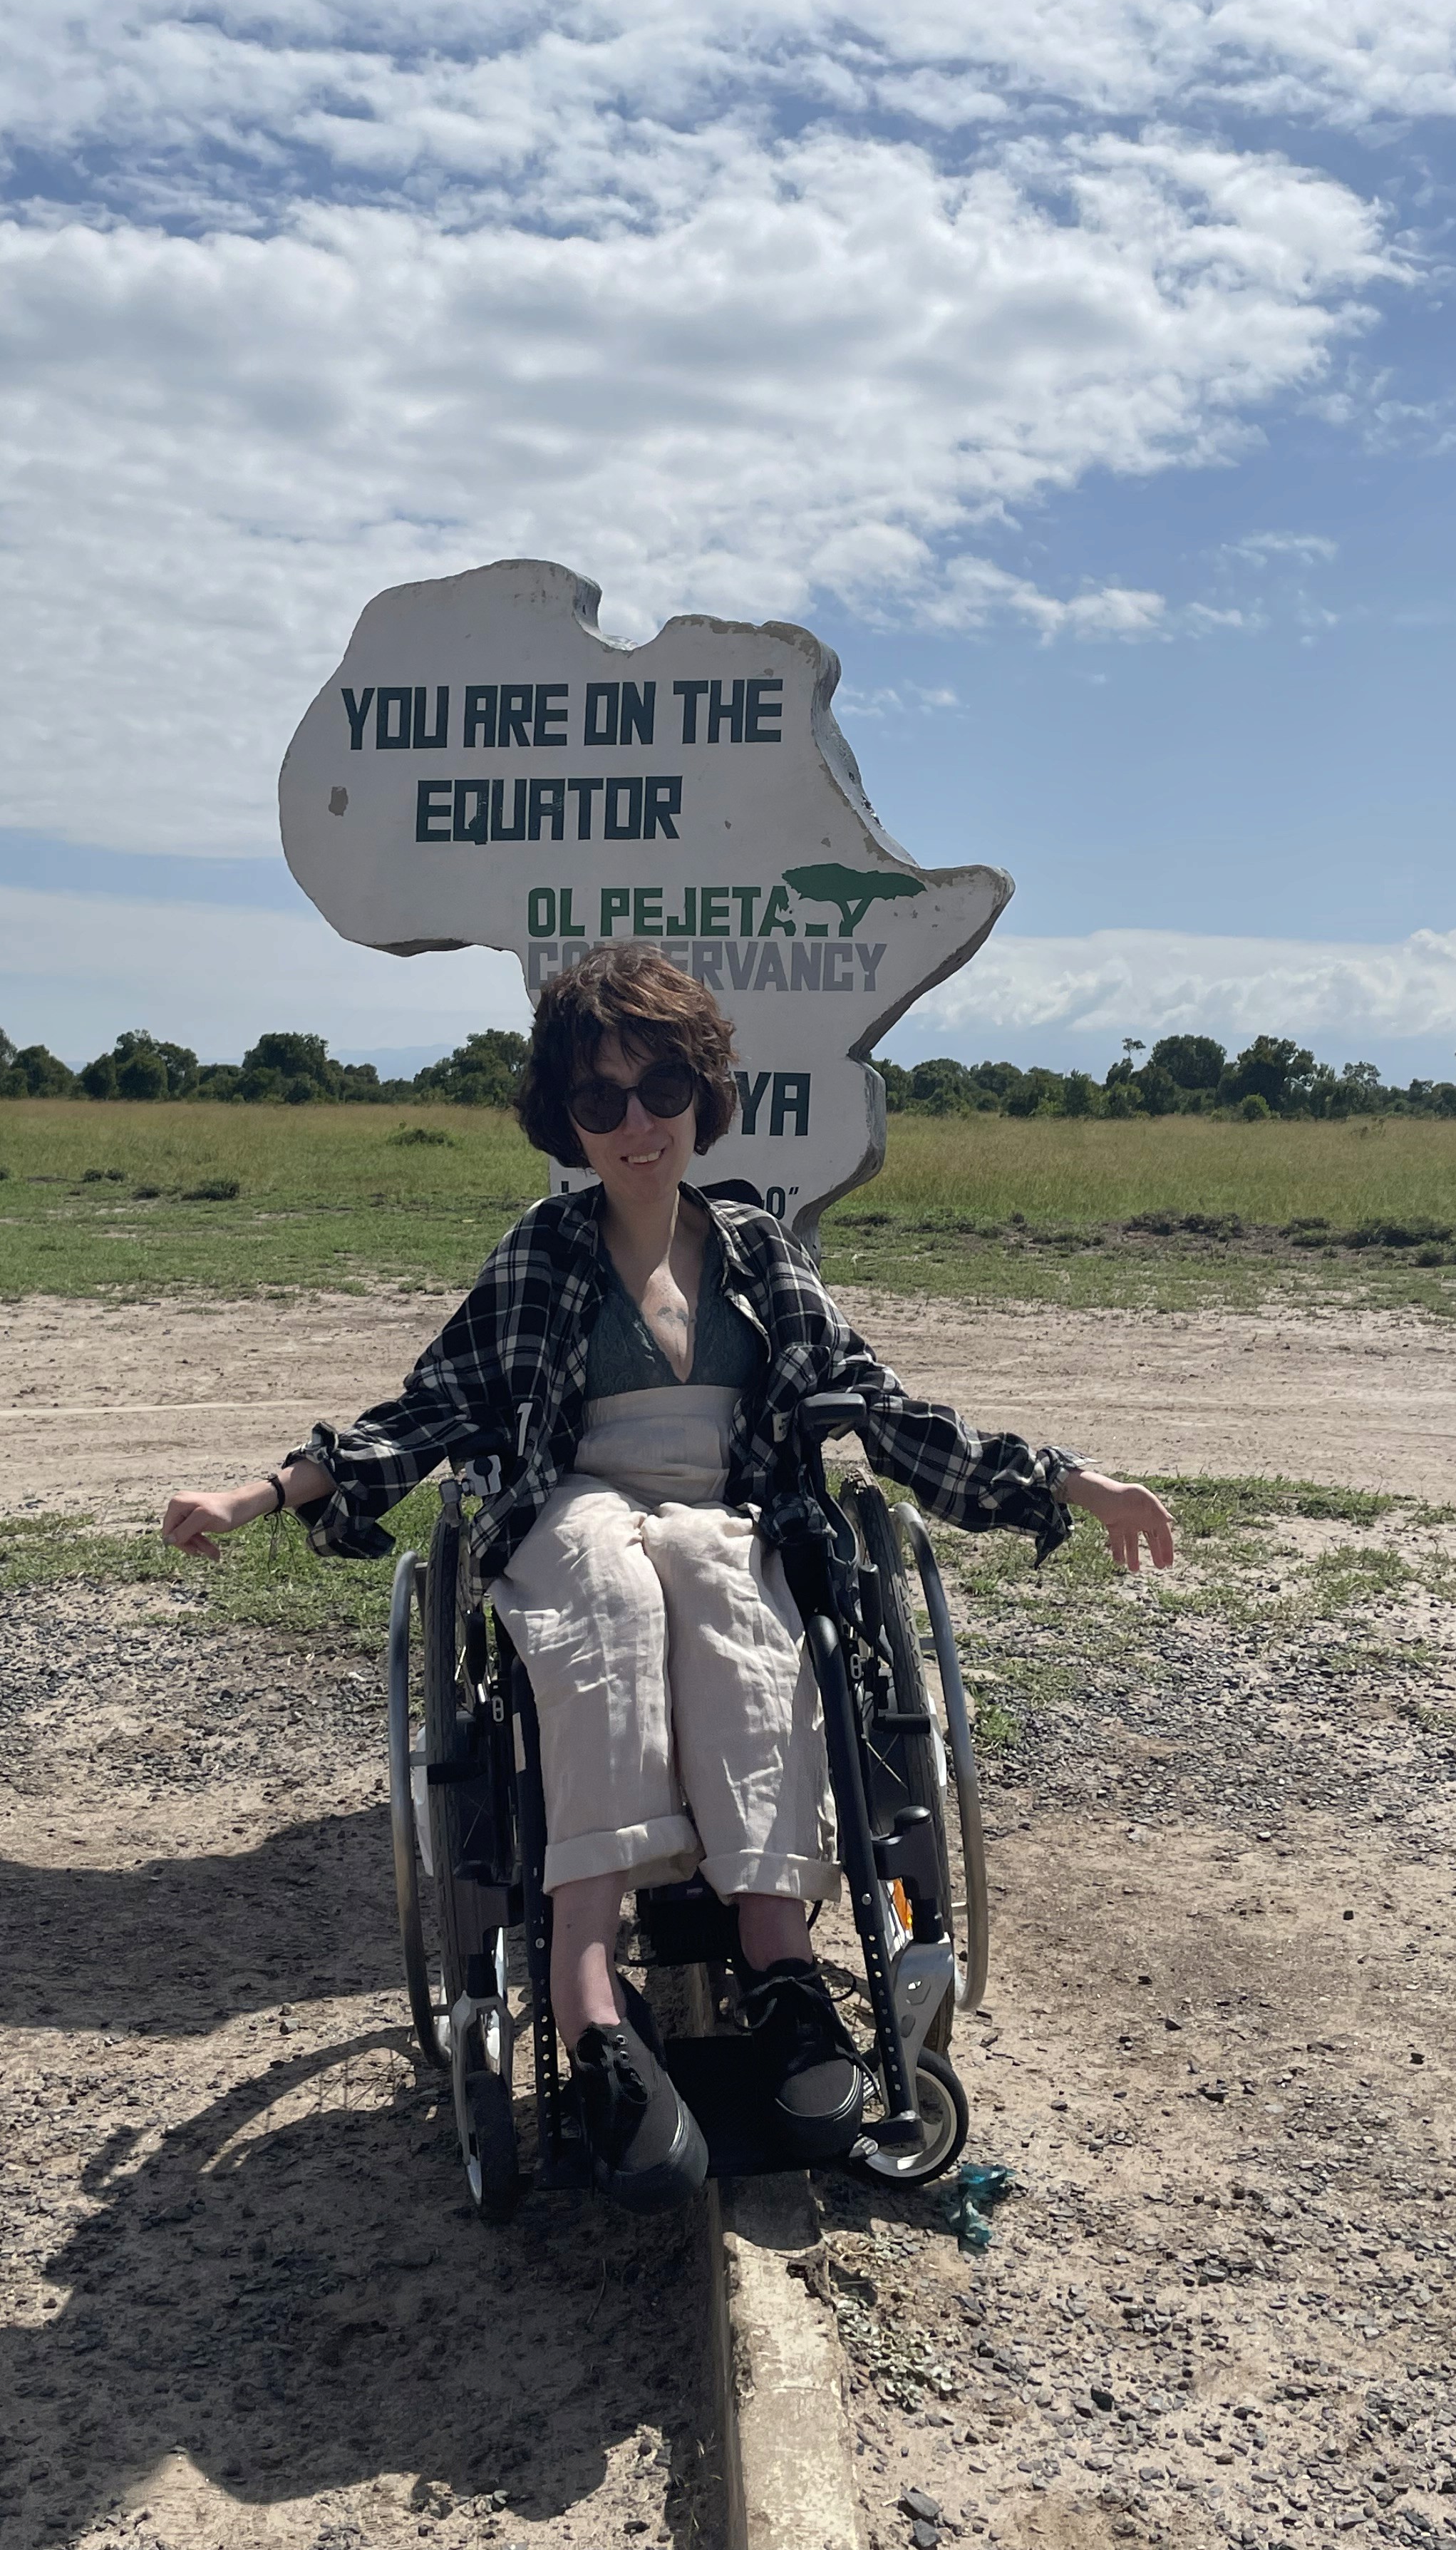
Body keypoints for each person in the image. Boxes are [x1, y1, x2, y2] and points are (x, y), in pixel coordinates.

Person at [163, 945, 1172, 2211]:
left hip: (722, 1507)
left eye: (660, 1088)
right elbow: (426, 1412)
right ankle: (587, 1996)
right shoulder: (543, 1249)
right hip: (577, 1502)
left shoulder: (757, 1252)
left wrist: (1076, 1483)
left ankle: (779, 1964)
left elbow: (884, 1412)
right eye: (600, 1101)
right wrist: (258, 1493)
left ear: (702, 1094)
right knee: (608, 1597)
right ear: (565, 1120)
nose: (636, 1123)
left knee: (738, 1599)